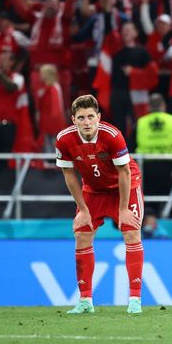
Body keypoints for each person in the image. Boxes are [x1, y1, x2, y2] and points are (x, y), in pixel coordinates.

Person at [55, 95, 144, 314]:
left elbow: (124, 172)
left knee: (131, 232)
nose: (87, 122)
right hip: (93, 190)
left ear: (99, 117)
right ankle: (85, 301)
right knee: (82, 234)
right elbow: (69, 174)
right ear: (73, 119)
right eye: (82, 117)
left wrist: (123, 209)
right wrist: (83, 209)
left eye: (91, 117)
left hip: (125, 187)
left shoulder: (112, 136)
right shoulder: (64, 140)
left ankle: (135, 299)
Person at [134, 93, 172, 222]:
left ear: (148, 107)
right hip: (171, 171)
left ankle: (146, 229)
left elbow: (129, 148)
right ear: (164, 106)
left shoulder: (140, 123)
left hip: (146, 171)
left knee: (147, 204)